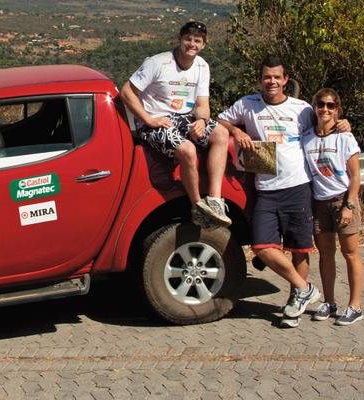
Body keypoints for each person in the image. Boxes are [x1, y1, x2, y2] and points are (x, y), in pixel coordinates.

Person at [216, 56, 349, 328]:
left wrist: (343, 124)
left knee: (299, 249)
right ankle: (304, 288)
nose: (272, 81)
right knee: (262, 247)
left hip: (298, 187)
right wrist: (236, 131)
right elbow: (220, 121)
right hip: (265, 189)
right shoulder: (247, 104)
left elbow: (326, 123)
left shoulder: (302, 109)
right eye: (267, 77)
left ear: (285, 80)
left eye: (277, 77)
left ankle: (295, 303)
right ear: (260, 80)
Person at [120, 21, 231, 228]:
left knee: (221, 134)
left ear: (204, 44)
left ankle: (215, 201)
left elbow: (202, 105)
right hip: (155, 121)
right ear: (180, 39)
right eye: (188, 39)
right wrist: (148, 119)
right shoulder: (158, 63)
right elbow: (126, 92)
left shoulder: (202, 66)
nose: (192, 44)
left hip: (184, 118)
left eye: (197, 41)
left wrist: (202, 120)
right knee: (187, 150)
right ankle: (197, 206)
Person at [302, 88, 364, 325]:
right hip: (319, 202)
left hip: (342, 200)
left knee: (350, 253)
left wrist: (348, 206)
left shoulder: (345, 137)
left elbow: (356, 177)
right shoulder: (306, 137)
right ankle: (329, 302)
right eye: (321, 104)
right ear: (314, 107)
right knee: (326, 255)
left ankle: (355, 306)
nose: (325, 109)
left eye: (330, 105)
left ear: (337, 109)